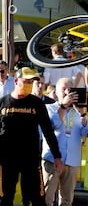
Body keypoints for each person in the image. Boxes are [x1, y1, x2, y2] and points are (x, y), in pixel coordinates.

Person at [0, 67, 64, 206]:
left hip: (31, 159)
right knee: (5, 197)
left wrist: (57, 156)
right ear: (16, 81)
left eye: (31, 82)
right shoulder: (3, 103)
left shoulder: (37, 103)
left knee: (37, 197)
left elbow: (48, 130)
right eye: (26, 81)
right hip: (7, 159)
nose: (29, 84)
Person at [42, 77, 88, 206]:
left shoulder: (79, 111)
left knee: (66, 200)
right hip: (52, 159)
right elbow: (51, 125)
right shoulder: (49, 108)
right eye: (63, 89)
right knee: (46, 198)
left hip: (72, 160)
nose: (67, 92)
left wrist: (82, 114)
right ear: (56, 92)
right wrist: (63, 106)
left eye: (70, 89)